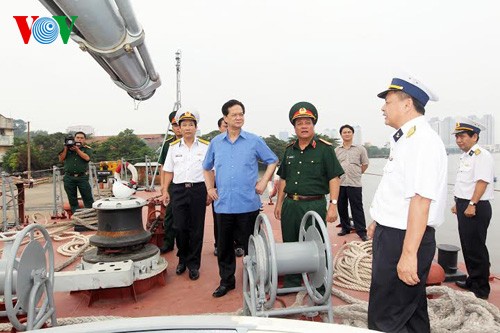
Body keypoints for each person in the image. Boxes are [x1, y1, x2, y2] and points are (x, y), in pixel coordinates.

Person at [367, 75, 447, 333]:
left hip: (403, 239)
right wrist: (379, 220)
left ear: (407, 104)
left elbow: (421, 200)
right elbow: (398, 189)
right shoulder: (406, 139)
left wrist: (409, 254)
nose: (383, 108)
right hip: (393, 233)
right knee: (410, 312)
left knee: (386, 317)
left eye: (388, 102)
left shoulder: (421, 141)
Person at [203, 99, 278, 298]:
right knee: (225, 248)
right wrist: (210, 187)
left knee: (251, 246)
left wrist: (263, 182)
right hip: (224, 205)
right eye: (234, 114)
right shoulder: (216, 143)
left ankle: (255, 280)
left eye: (241, 114)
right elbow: (206, 167)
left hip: (248, 204)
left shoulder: (254, 140)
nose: (239, 117)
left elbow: (272, 161)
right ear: (225, 118)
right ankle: (226, 282)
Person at [274, 101, 343, 289]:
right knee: (290, 244)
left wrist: (333, 205)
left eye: (307, 123)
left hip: (314, 205)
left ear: (313, 125)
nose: (304, 126)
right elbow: (283, 179)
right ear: (294, 127)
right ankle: (292, 281)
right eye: (299, 123)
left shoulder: (324, 149)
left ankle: (320, 284)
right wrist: (279, 203)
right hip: (291, 205)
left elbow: (334, 178)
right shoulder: (289, 150)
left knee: (316, 244)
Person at [161, 109, 209, 281]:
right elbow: (168, 171)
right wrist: (165, 190)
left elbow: (210, 170)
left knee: (197, 228)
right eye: (184, 125)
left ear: (196, 127)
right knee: (179, 227)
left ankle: (194, 264)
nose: (187, 128)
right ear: (179, 128)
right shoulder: (173, 148)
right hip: (179, 190)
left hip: (198, 190)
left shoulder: (205, 146)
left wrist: (210, 190)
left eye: (191, 124)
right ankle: (182, 259)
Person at [451, 118, 494, 300]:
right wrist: (458, 203)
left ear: (475, 136)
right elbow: (465, 183)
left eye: (462, 136)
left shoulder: (481, 155)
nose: (459, 140)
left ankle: (481, 289)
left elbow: (482, 182)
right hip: (464, 204)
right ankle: (472, 280)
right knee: (468, 246)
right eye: (457, 137)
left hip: (476, 206)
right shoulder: (466, 155)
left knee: (476, 248)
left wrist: (472, 204)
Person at [335, 124, 369, 241]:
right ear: (341, 135)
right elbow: (334, 166)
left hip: (354, 183)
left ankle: (362, 231)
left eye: (349, 132)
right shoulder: (337, 150)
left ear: (353, 134)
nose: (347, 134)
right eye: (344, 132)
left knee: (357, 207)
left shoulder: (360, 149)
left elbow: (365, 164)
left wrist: (358, 173)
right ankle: (345, 227)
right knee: (341, 206)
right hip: (340, 183)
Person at [158, 111, 183, 253]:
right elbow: (163, 167)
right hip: (172, 185)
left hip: (188, 185)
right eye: (175, 125)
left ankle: (185, 247)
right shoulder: (168, 144)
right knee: (169, 216)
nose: (178, 127)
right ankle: (168, 243)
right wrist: (163, 187)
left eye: (180, 124)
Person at [58, 131, 94, 214]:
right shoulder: (66, 148)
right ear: (74, 138)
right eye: (77, 137)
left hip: (82, 177)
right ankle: (76, 216)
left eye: (81, 138)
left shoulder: (86, 149)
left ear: (84, 140)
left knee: (87, 197)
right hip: (69, 177)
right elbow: (61, 159)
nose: (79, 139)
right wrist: (66, 148)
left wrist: (77, 150)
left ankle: (90, 215)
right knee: (72, 198)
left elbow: (87, 158)